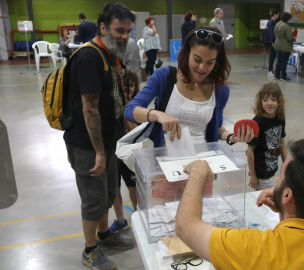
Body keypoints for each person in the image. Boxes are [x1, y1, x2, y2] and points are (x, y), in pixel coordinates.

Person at [175, 139, 304, 269]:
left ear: (287, 195)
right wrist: (286, 209)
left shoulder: (254, 250)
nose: (276, 182)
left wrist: (198, 172)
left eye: (280, 177)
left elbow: (186, 226)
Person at [64, 3, 136, 269]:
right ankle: (90, 249)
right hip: (88, 146)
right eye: (120, 30)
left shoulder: (110, 55)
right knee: (94, 200)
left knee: (107, 194)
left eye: (128, 31)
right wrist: (100, 153)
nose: (125, 36)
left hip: (108, 142)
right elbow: (89, 108)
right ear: (103, 27)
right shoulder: (90, 57)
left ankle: (104, 234)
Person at [124, 26, 253, 147]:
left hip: (202, 161)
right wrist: (157, 115)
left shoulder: (220, 90)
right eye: (197, 60)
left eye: (210, 62)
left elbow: (217, 129)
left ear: (217, 62)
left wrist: (232, 137)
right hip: (164, 160)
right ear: (187, 54)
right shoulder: (165, 76)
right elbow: (130, 110)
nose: (202, 68)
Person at [110, 68, 140, 233]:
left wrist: (128, 109)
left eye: (131, 86)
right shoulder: (114, 105)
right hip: (114, 152)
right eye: (124, 87)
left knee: (133, 187)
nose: (128, 90)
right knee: (114, 186)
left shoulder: (137, 107)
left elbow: (135, 132)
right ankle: (120, 219)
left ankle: (138, 216)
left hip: (130, 153)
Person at [247, 82, 287, 191]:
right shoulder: (257, 122)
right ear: (260, 102)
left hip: (272, 167)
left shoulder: (280, 119)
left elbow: (282, 144)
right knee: (271, 198)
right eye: (265, 100)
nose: (269, 103)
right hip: (261, 171)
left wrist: (286, 166)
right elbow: (250, 150)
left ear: (279, 101)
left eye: (273, 99)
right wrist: (253, 175)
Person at [273, 12, 293, 81]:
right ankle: (283, 76)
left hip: (277, 45)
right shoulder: (286, 26)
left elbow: (275, 32)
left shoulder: (277, 24)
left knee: (279, 61)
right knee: (284, 62)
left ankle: (276, 75)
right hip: (285, 46)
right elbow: (289, 38)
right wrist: (293, 38)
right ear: (287, 18)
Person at [266, 8, 279, 76]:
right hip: (273, 41)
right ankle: (270, 70)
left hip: (275, 40)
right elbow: (271, 33)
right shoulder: (271, 22)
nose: (278, 16)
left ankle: (271, 69)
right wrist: (272, 41)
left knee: (274, 55)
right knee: (272, 55)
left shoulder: (275, 22)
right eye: (278, 14)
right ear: (275, 14)